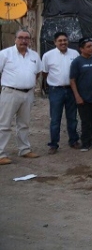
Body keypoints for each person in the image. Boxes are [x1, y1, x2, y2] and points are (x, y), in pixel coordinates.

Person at [0, 30, 42, 165]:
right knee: (4, 124)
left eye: (26, 38)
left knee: (24, 124)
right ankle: (0, 153)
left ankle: (24, 149)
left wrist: (27, 83)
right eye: (21, 38)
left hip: (28, 94)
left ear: (30, 40)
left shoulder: (34, 55)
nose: (24, 40)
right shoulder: (5, 54)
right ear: (15, 39)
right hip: (10, 93)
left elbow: (37, 73)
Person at [42, 31, 80, 154]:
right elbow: (44, 73)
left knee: (72, 118)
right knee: (55, 119)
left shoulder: (75, 53)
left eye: (65, 40)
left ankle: (73, 140)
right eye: (60, 41)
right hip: (56, 90)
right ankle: (53, 144)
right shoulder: (48, 55)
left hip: (71, 90)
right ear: (55, 42)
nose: (63, 42)